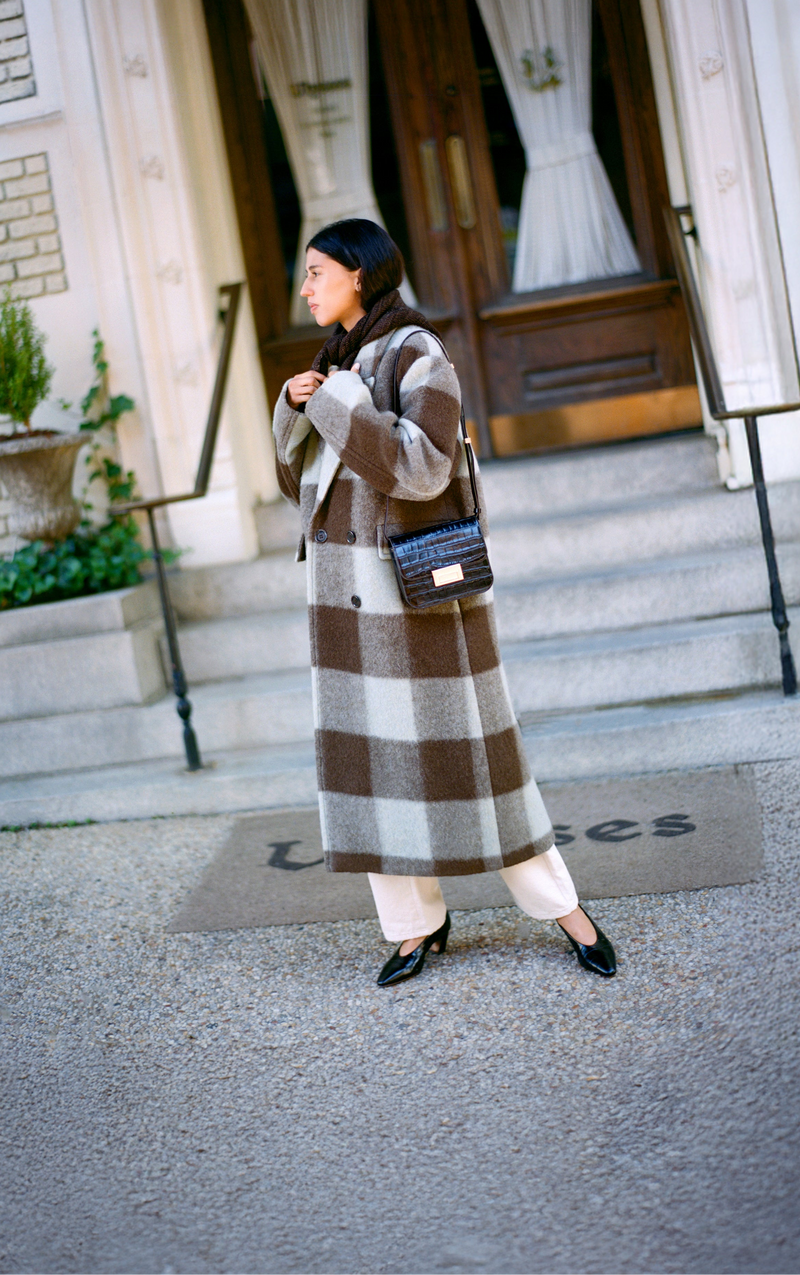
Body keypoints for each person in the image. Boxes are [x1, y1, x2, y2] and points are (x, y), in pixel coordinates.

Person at [272, 219, 617, 987]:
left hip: (411, 597)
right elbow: (304, 489)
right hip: (347, 601)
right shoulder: (334, 362)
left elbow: (423, 469)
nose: (305, 287)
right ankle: (412, 926)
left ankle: (566, 911)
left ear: (359, 273)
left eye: (317, 271)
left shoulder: (417, 351)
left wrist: (335, 402)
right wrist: (295, 409)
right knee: (373, 773)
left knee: (479, 763)